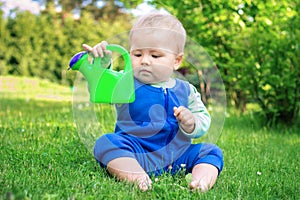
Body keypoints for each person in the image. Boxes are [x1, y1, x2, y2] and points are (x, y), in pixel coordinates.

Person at [82, 12, 224, 192]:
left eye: (155, 56)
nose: (145, 61)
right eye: (138, 54)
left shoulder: (186, 90)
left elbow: (203, 118)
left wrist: (192, 122)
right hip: (135, 152)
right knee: (106, 142)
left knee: (211, 151)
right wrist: (102, 66)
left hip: (177, 156)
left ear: (176, 61)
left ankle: (201, 182)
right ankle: (137, 177)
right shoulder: (126, 83)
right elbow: (101, 89)